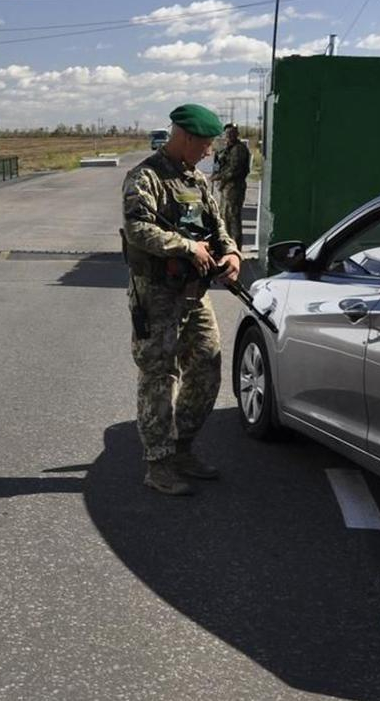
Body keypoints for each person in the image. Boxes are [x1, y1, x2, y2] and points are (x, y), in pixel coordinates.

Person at [121, 104, 242, 496]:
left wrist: (232, 254)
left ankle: (183, 448)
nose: (209, 151)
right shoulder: (145, 177)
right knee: (159, 376)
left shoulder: (197, 180)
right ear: (185, 138)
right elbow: (138, 228)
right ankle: (158, 464)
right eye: (205, 144)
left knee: (208, 365)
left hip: (194, 294)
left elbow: (218, 224)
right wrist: (187, 247)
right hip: (157, 296)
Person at [210, 124, 251, 254]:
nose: (229, 136)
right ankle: (227, 248)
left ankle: (236, 250)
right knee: (224, 217)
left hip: (234, 188)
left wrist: (218, 177)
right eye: (227, 133)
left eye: (232, 133)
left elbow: (235, 170)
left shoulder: (239, 149)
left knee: (233, 219)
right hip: (225, 188)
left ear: (237, 134)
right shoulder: (228, 148)